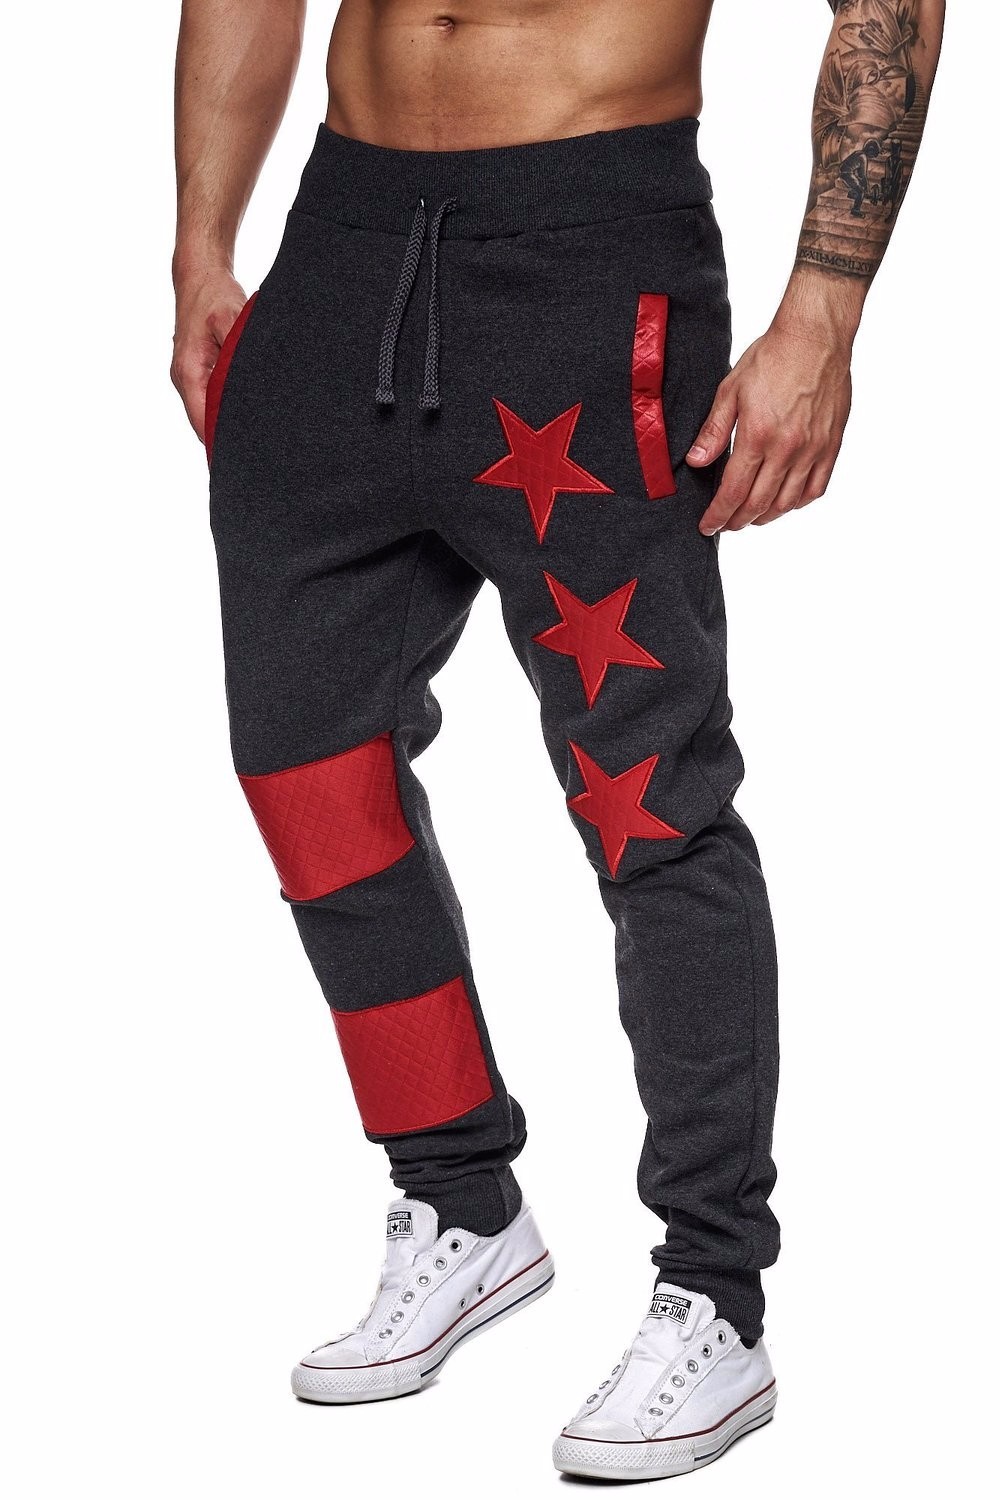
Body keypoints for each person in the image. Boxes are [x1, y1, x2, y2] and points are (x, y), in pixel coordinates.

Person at [171, 0, 944, 1481]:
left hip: (588, 262)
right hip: (336, 257)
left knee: (649, 803)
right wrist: (203, 247)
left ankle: (714, 1294)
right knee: (306, 771)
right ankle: (461, 1199)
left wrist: (823, 318)